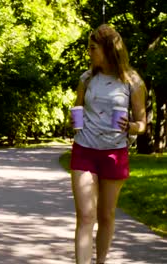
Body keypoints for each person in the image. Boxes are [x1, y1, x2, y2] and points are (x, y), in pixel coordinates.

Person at [70, 24, 146, 264]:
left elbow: (142, 123)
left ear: (107, 49)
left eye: (93, 48)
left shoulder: (132, 81)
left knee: (106, 215)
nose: (89, 53)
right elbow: (78, 106)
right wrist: (75, 121)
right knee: (85, 215)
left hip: (114, 153)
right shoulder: (87, 77)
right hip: (84, 150)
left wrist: (130, 126)